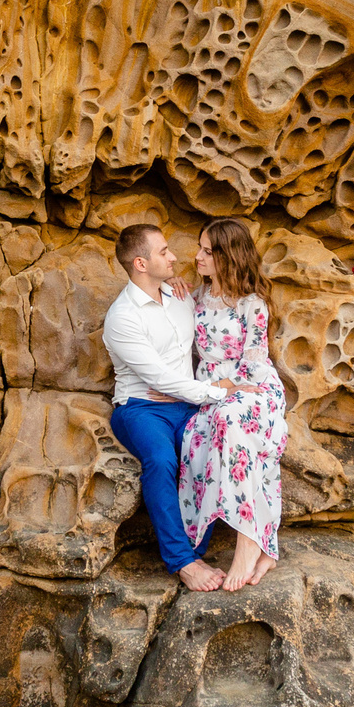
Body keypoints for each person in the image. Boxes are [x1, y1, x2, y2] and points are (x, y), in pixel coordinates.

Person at [102, 223, 240, 593]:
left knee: (212, 448)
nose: (174, 256)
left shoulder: (182, 297)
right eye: (164, 251)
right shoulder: (123, 317)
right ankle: (182, 562)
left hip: (187, 403)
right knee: (162, 459)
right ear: (141, 263)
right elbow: (159, 381)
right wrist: (217, 391)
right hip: (141, 409)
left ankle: (196, 549)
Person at [179, 219, 287, 590]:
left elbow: (256, 363)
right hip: (211, 390)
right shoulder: (195, 298)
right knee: (200, 432)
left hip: (253, 388)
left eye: (208, 252)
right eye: (200, 248)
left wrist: (230, 387)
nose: (198, 257)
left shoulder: (251, 303)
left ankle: (247, 541)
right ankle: (261, 543)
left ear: (229, 256)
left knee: (232, 419)